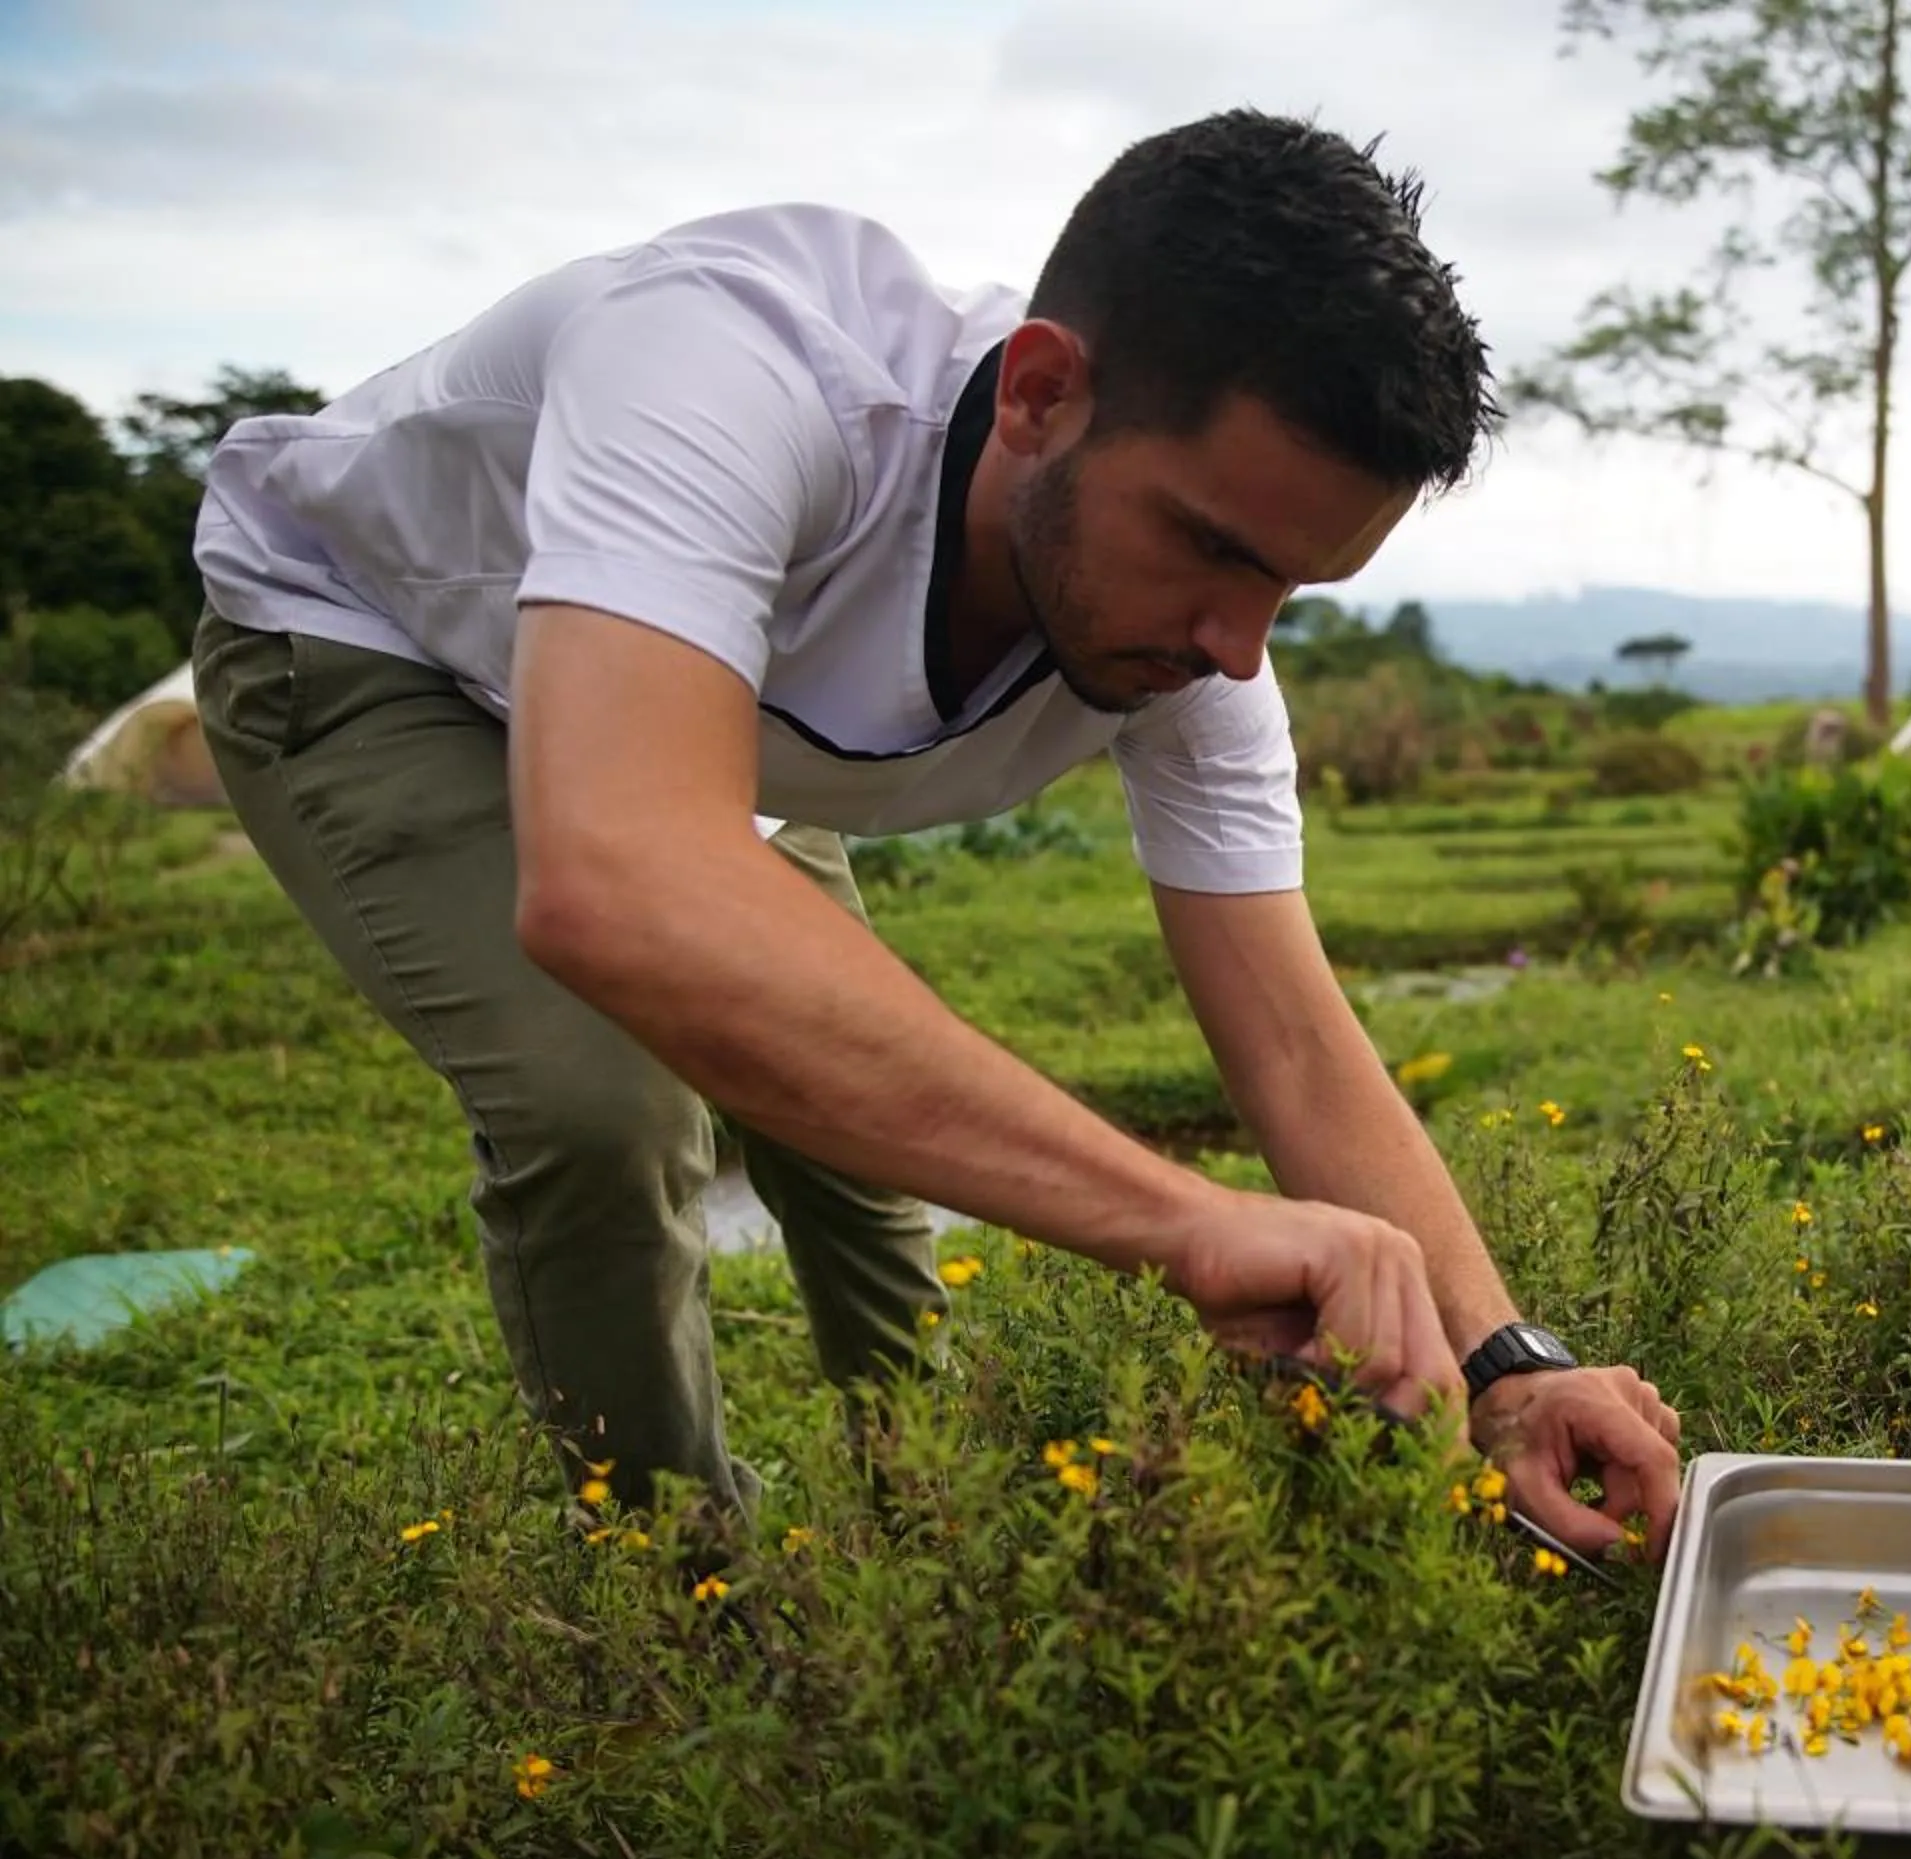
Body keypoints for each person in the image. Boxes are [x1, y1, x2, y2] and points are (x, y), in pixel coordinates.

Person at [186, 108, 1683, 1562]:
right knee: (607, 1111)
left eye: (1295, 586)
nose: (1241, 644)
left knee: (845, 1126)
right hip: (378, 638)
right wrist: (1186, 1222)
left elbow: (1292, 1039)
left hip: (698, 724)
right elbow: (624, 883)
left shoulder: (1195, 638)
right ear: (1039, 394)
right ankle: (684, 1583)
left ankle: (925, 1511)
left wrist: (1505, 1367)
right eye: (1217, 549)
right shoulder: (733, 360)